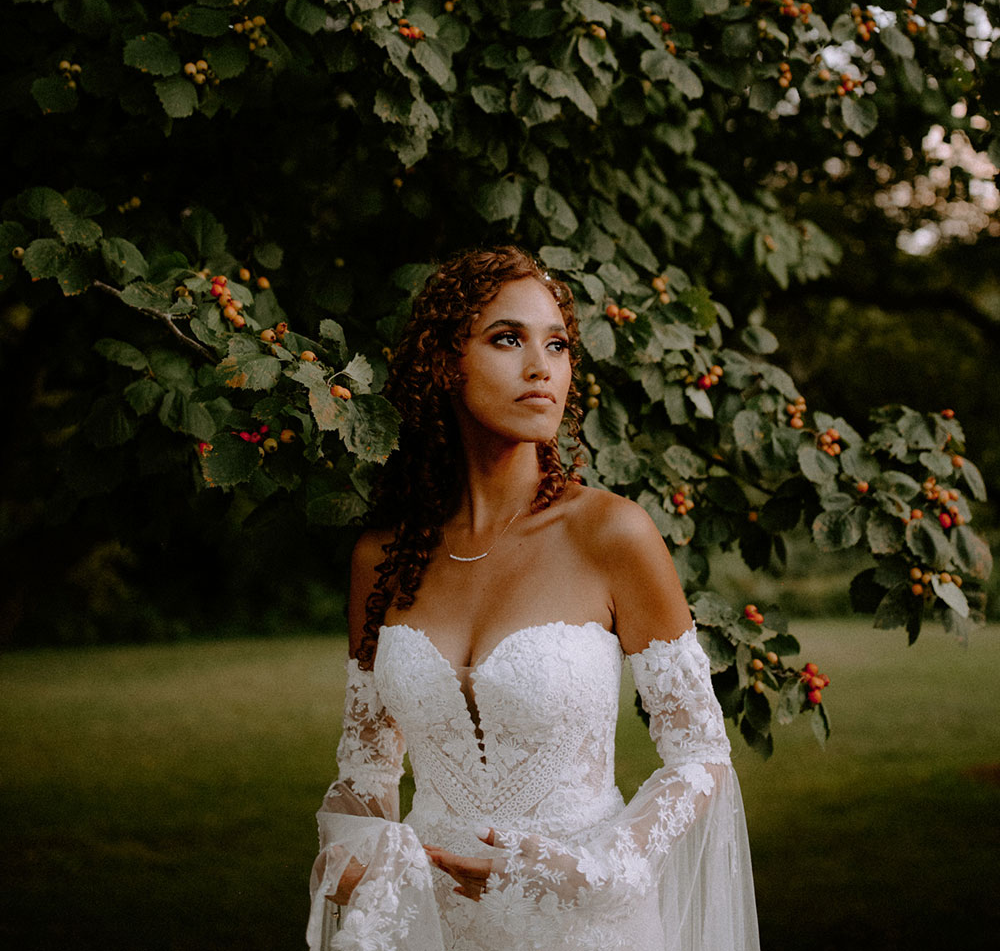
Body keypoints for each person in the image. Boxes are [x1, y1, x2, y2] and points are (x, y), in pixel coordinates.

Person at [306, 245, 760, 951]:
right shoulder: (383, 558)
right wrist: (354, 853)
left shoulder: (611, 533)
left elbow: (700, 756)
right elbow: (366, 771)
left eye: (557, 344)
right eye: (507, 339)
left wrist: (590, 868)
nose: (541, 366)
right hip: (431, 927)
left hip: (585, 924)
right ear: (443, 363)